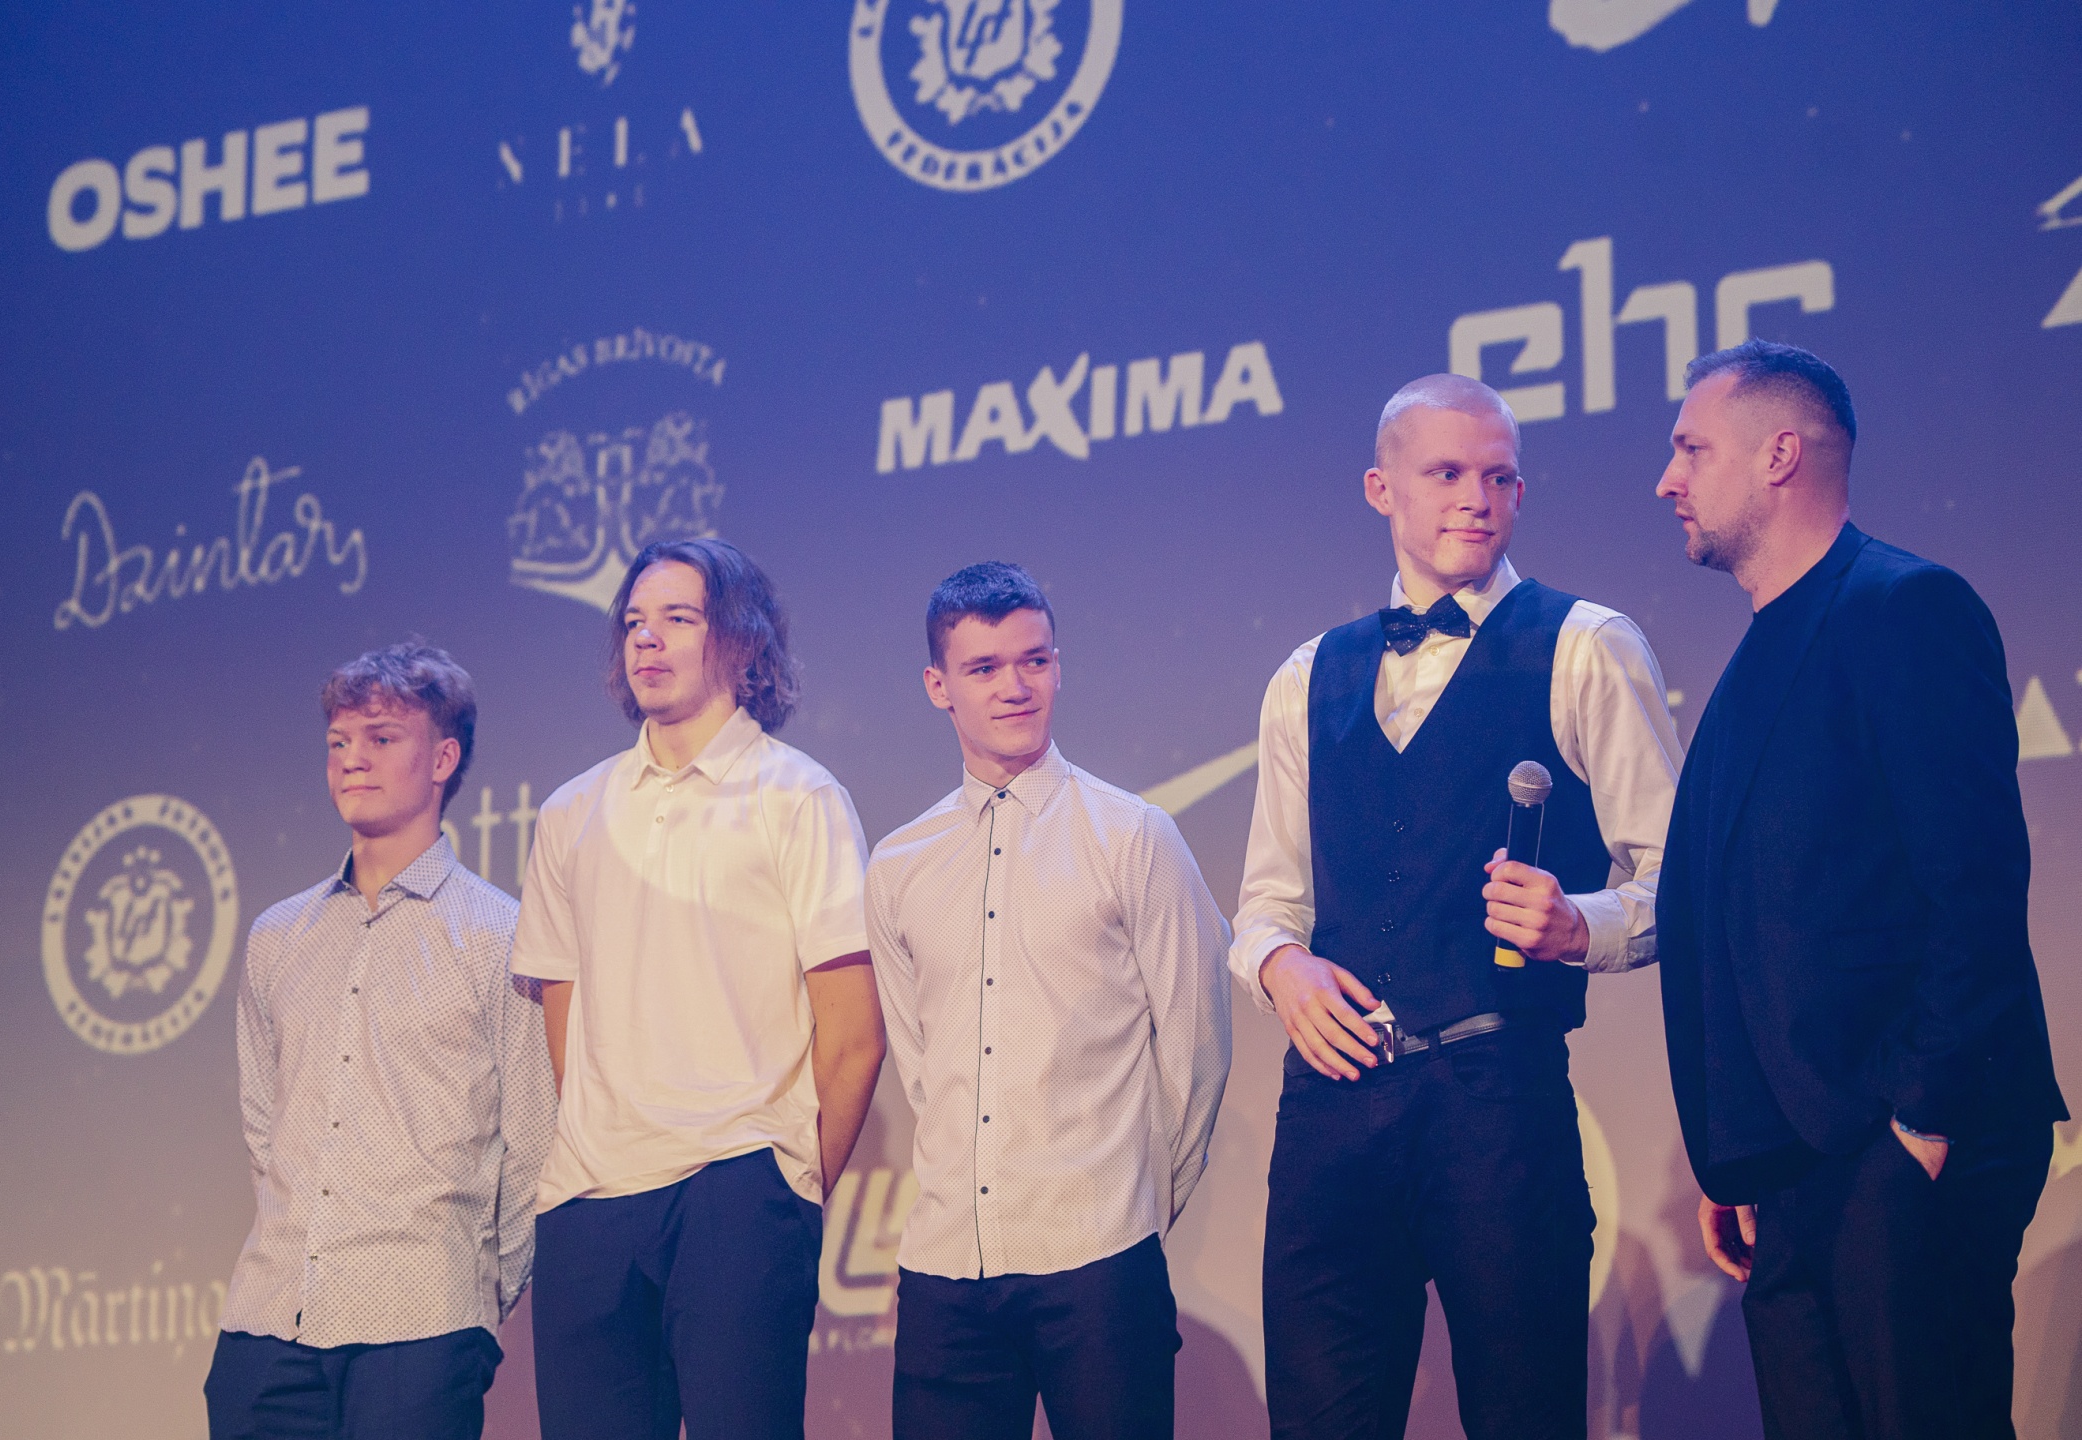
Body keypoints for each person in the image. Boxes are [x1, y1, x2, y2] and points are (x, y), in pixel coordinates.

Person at [1233, 374, 1684, 1439]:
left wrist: (1580, 926)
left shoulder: (1586, 644)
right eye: (1445, 474)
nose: (1476, 499)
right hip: (1333, 1113)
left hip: (1498, 1100)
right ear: (1380, 487)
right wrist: (1279, 968)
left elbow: (1678, 878)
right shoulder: (1306, 676)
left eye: (1499, 478)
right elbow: (1266, 903)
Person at [1653, 339, 2066, 1439]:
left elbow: (1974, 884)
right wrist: (1742, 1146)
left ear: (1779, 454)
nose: (1666, 479)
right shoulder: (1756, 656)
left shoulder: (1903, 608)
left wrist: (1918, 1125)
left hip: (1903, 1149)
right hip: (1796, 1168)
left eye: (1691, 448)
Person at [514, 537, 887, 1440]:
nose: (648, 639)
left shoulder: (797, 796)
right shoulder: (570, 812)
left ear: (741, 642)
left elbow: (853, 1035)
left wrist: (791, 1188)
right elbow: (564, 1027)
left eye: (678, 619)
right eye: (635, 623)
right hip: (588, 1203)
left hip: (739, 1190)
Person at [866, 563, 1233, 1440]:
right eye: (985, 667)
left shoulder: (1133, 836)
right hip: (946, 1272)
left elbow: (1197, 1050)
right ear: (939, 686)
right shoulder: (898, 865)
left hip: (1099, 1263)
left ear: (1058, 667)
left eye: (1033, 660)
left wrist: (1133, 1211)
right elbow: (923, 1069)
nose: (1015, 686)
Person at [207, 642, 557, 1440]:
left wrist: (473, 1301)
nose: (351, 759)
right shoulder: (277, 936)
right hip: (267, 1325)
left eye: (381, 738)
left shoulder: (500, 935)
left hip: (420, 1327)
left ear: (443, 759)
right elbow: (265, 1126)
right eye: (339, 741)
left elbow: (534, 1146)